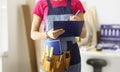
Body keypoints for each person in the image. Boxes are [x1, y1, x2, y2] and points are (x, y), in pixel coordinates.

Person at [31, 0, 86, 72]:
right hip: (51, 58)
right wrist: (47, 34)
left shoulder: (76, 3)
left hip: (72, 57)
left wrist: (78, 24)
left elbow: (84, 34)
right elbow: (33, 34)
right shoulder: (41, 4)